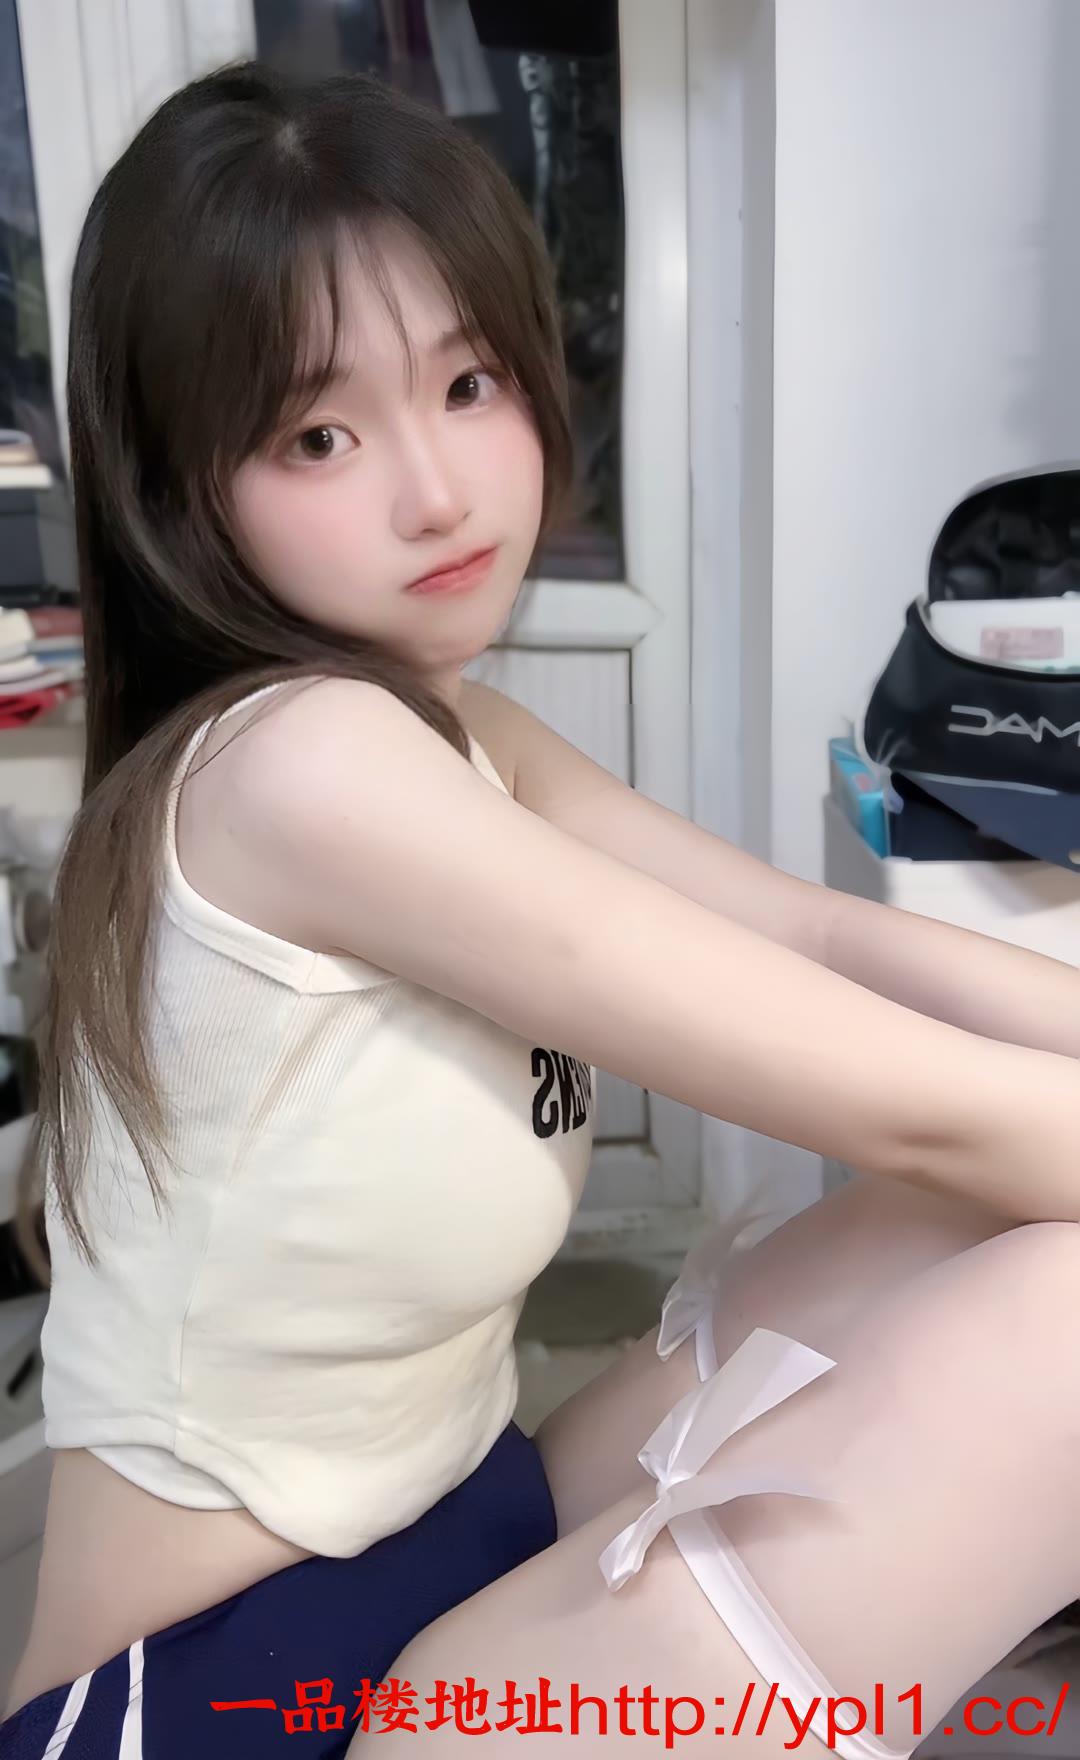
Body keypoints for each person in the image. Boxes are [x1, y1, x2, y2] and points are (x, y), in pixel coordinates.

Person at [2, 59, 1079, 1760]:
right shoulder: (299, 765)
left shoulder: (458, 736)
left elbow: (819, 938)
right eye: (319, 436)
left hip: (459, 1523)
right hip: (227, 1695)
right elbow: (907, 1102)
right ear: (180, 486)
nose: (438, 492)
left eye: (470, 383)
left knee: (959, 1229)